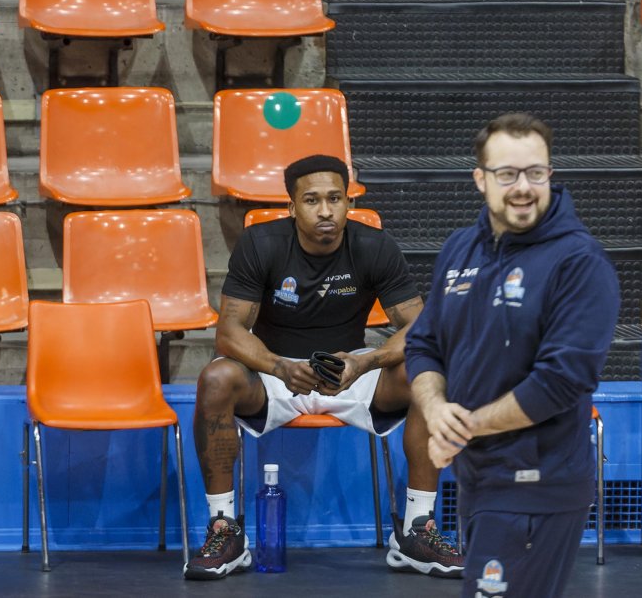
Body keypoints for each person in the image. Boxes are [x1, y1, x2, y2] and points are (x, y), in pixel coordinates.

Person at [184, 154, 465, 581]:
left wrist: (365, 360)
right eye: (312, 200)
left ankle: (415, 530)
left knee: (426, 373)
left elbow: (421, 327)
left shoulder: (374, 246)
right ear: (292, 206)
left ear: (348, 202)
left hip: (351, 368)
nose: (325, 210)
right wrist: (280, 367)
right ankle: (226, 530)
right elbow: (230, 333)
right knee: (216, 377)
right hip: (274, 374)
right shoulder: (261, 243)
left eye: (335, 198)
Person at [406, 113, 619, 597]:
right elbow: (423, 345)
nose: (523, 187)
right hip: (479, 479)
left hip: (538, 486)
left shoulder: (580, 262)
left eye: (535, 173)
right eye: (507, 174)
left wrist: (464, 429)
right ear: (480, 180)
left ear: (550, 175)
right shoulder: (461, 248)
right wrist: (437, 410)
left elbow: (561, 382)